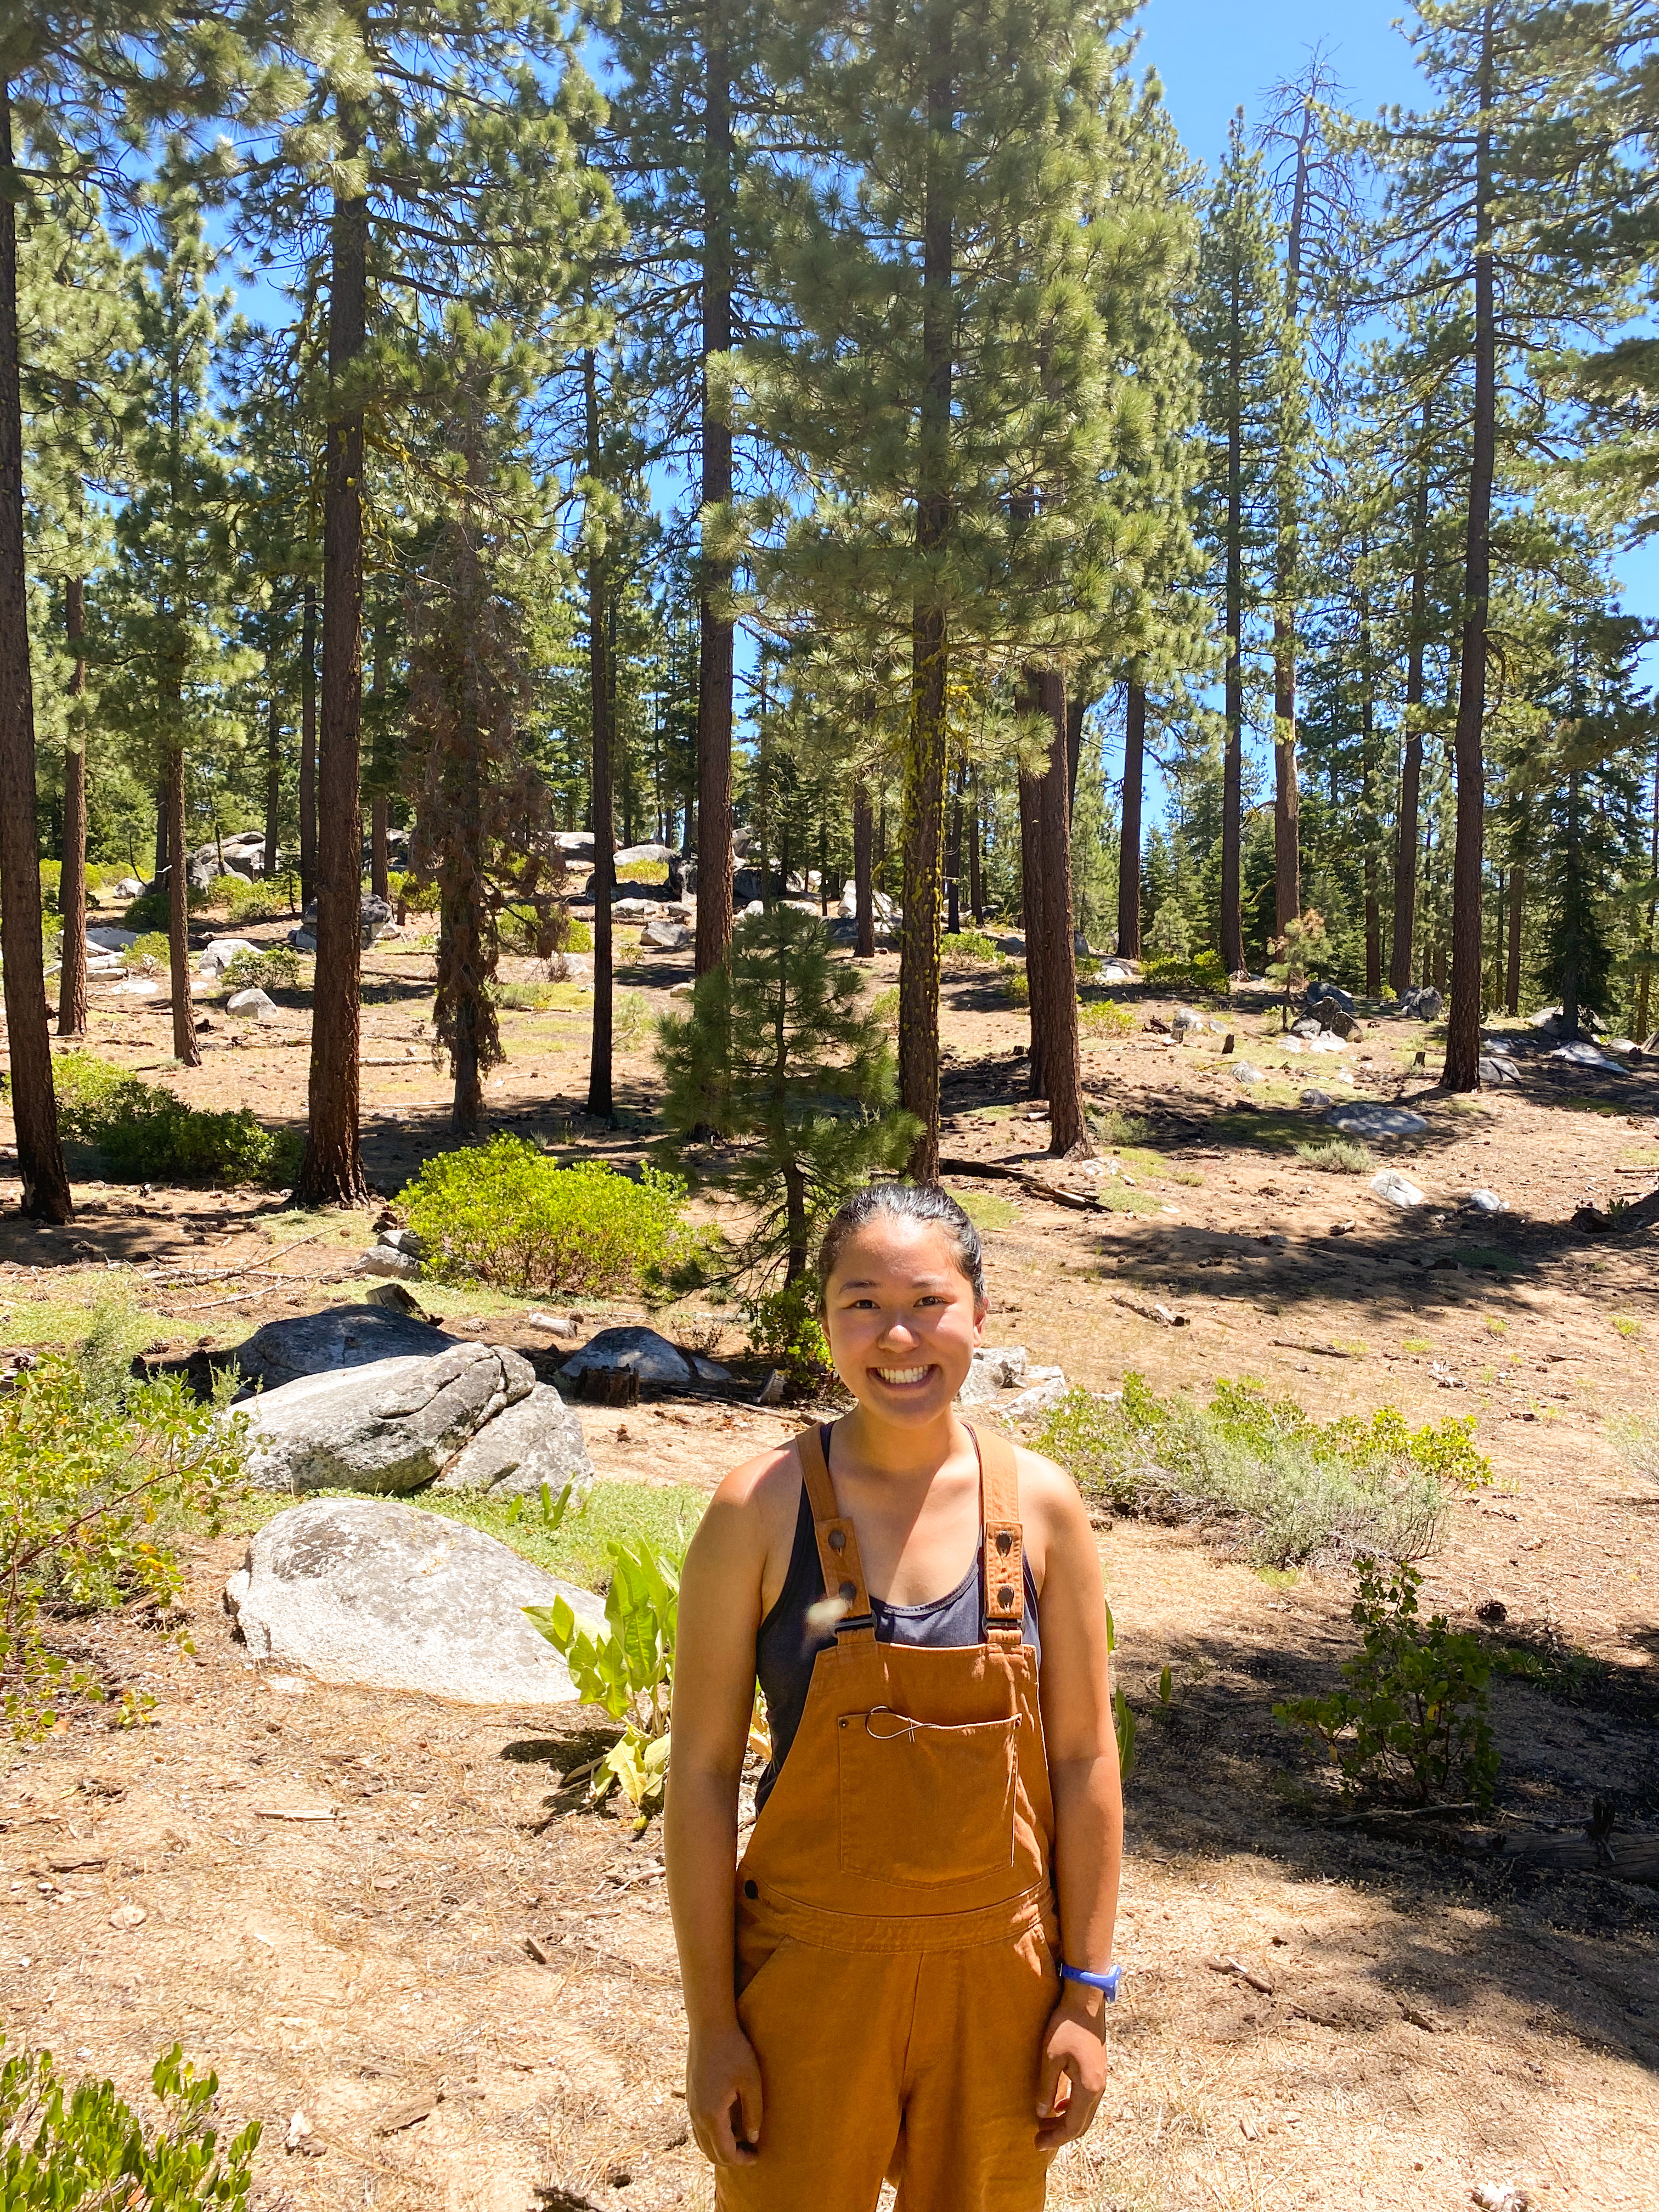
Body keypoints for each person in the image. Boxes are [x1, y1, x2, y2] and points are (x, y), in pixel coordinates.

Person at [665, 1181, 1122, 2211]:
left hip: (999, 1986)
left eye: (928, 1300)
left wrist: (1086, 1997)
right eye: (861, 1303)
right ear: (824, 1321)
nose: (898, 1334)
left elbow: (1088, 1758)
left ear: (979, 1314)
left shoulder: (1042, 1510)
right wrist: (713, 2026)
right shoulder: (757, 1507)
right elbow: (697, 1777)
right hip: (806, 1985)